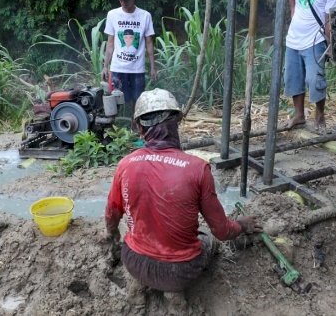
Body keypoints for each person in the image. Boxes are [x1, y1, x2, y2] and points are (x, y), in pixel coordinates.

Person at [104, 88, 261, 303]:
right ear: (177, 122)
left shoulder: (125, 164)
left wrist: (113, 240)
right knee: (207, 238)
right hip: (180, 273)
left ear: (139, 128)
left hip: (134, 263)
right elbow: (223, 231)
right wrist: (242, 225)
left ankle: (140, 288)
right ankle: (174, 294)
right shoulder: (197, 169)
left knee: (136, 231)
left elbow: (112, 215)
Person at [284, 0, 336, 130]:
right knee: (293, 78)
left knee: (315, 79)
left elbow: (329, 19)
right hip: (293, 39)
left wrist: (331, 44)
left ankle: (319, 115)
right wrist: (293, 15)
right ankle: (299, 115)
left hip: (314, 40)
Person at [103, 0, 157, 117]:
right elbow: (110, 43)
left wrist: (152, 67)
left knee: (137, 100)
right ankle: (118, 129)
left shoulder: (145, 16)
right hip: (117, 67)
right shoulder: (112, 15)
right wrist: (105, 66)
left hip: (137, 68)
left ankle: (135, 127)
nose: (123, 2)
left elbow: (149, 42)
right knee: (116, 99)